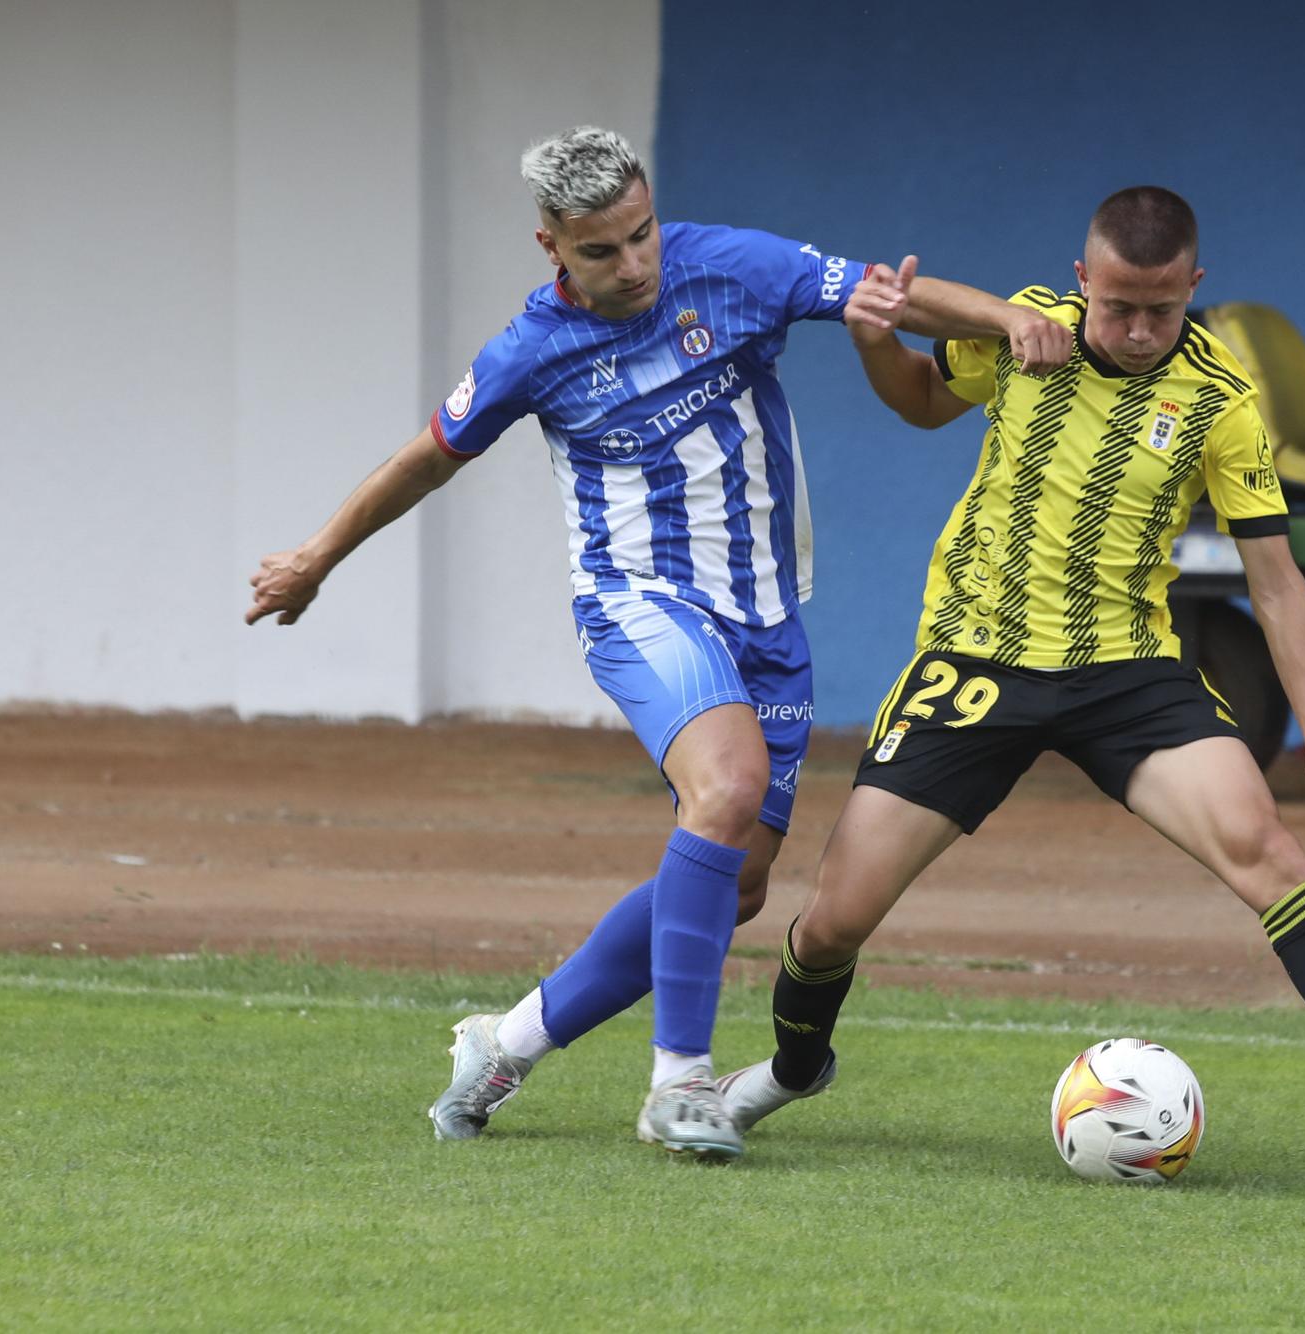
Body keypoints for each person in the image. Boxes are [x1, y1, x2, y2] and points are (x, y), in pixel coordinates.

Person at [244, 126, 1067, 1160]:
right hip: (638, 602)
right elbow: (425, 459)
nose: (632, 265)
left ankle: (504, 1041)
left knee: (741, 880)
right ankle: (677, 1082)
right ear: (551, 246)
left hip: (766, 616)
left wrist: (1012, 318)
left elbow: (882, 291)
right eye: (601, 251)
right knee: (720, 794)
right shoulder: (529, 351)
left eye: (639, 236)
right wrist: (319, 555)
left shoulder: (730, 266)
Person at [717, 187, 1305, 1175]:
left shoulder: (1221, 401)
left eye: (1161, 307)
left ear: (1194, 285)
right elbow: (922, 404)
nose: (1139, 330)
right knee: (836, 915)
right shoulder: (1020, 332)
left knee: (1265, 849)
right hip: (975, 660)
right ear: (1080, 280)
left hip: (1127, 673)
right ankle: (793, 1069)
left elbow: (1275, 584)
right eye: (1116, 306)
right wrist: (873, 339)